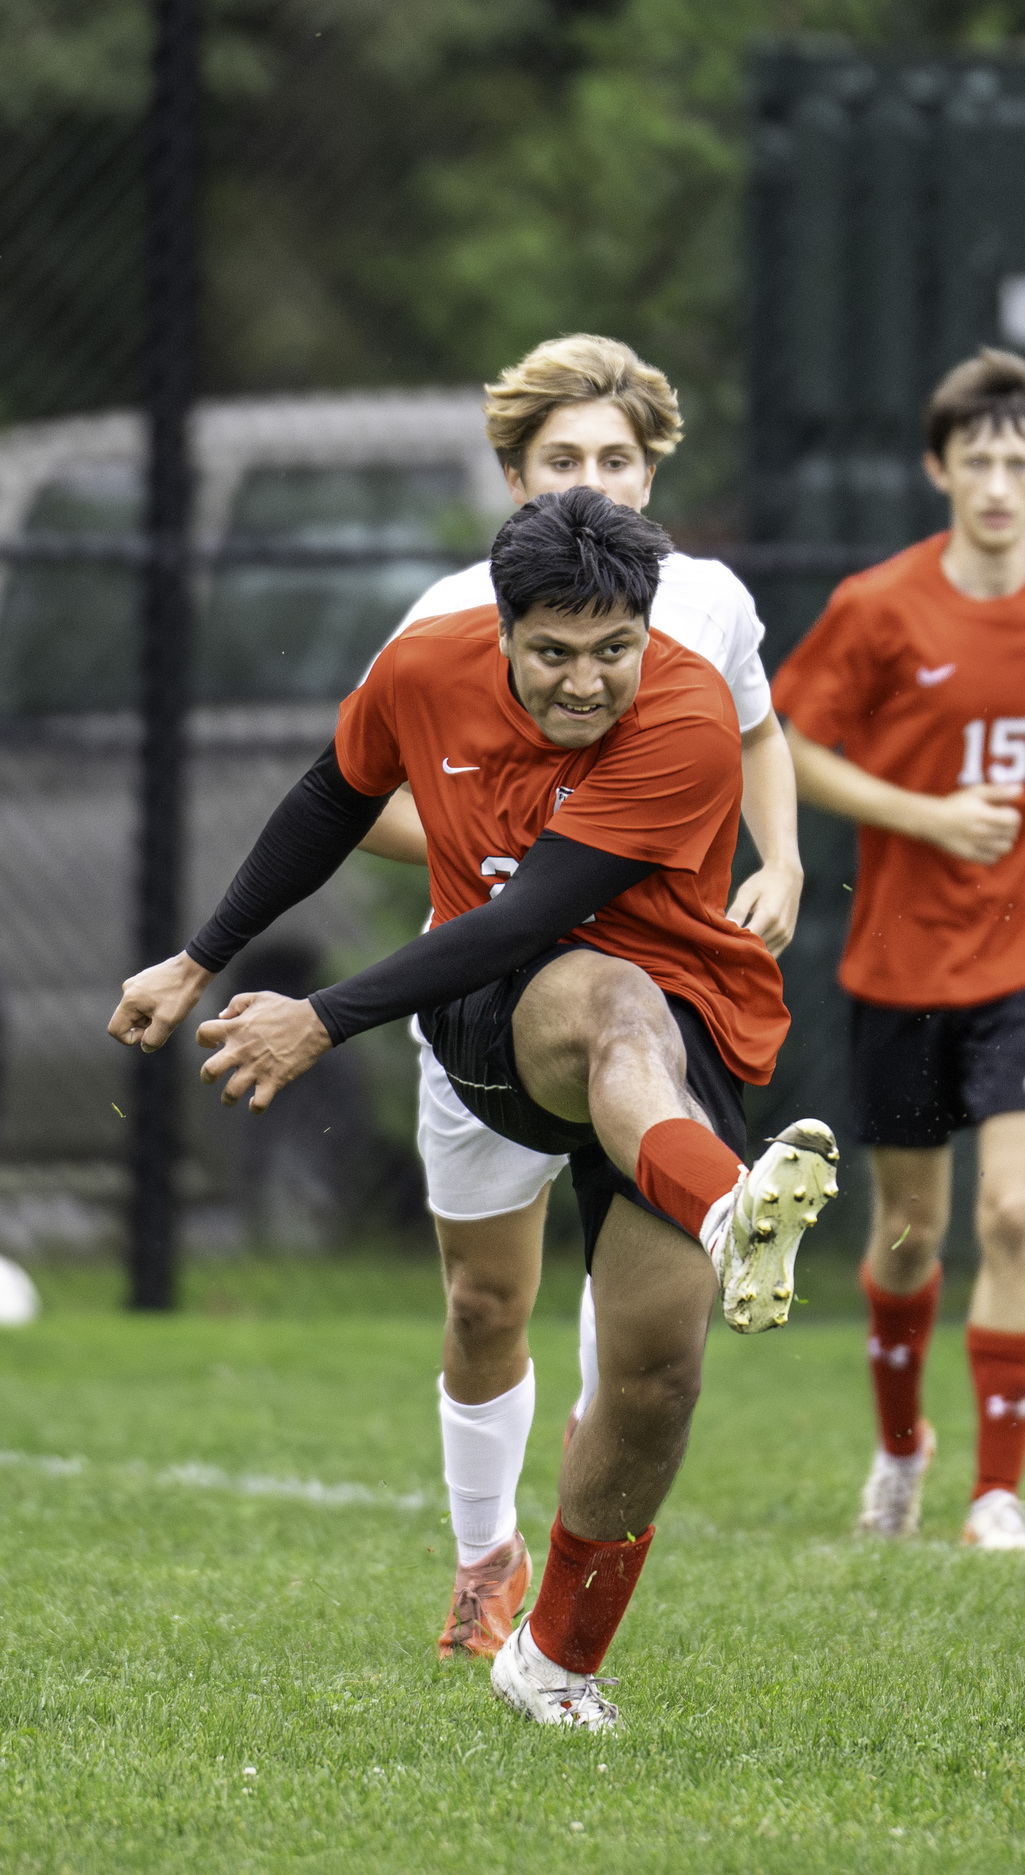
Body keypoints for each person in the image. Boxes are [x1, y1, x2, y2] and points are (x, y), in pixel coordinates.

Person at [108, 487, 838, 1730]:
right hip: (503, 1009)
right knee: (605, 1007)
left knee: (657, 1374)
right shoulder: (423, 667)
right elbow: (333, 802)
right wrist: (201, 959)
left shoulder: (688, 713)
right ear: (500, 627)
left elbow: (535, 902)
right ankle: (726, 1206)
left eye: (614, 649)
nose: (588, 681)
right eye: (554, 652)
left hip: (682, 1021)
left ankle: (555, 1663)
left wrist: (322, 1011)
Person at [353, 334, 803, 1661]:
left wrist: (781, 858)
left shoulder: (707, 599)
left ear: (653, 468)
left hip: (646, 985)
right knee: (488, 1298)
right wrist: (496, 867)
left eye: (617, 457)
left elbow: (760, 727)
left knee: (641, 1307)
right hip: (479, 983)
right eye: (564, 459)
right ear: (512, 472)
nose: (594, 478)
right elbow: (364, 792)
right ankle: (484, 1557)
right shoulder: (446, 618)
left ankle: (566, 1617)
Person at [771, 349, 1025, 1551]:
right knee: (908, 1237)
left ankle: (998, 1494)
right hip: (902, 961)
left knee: (1010, 1215)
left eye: (1020, 462)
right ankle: (903, 1448)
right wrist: (926, 814)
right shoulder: (880, 606)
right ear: (939, 468)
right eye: (976, 461)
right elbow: (792, 744)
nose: (998, 484)